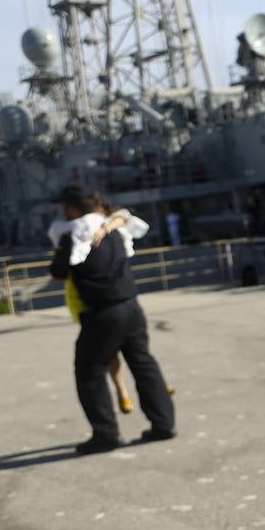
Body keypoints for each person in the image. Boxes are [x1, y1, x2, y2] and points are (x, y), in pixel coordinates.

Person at [48, 186, 176, 455]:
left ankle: (106, 433)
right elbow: (125, 217)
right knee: (143, 363)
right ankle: (164, 424)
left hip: (102, 313)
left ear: (71, 208)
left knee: (89, 370)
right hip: (131, 306)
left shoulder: (73, 233)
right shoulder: (113, 227)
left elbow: (59, 271)